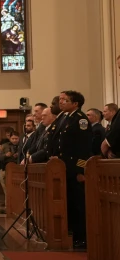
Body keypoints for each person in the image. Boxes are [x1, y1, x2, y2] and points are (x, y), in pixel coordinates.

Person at [54, 90, 91, 249]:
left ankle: (82, 237)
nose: (61, 102)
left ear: (75, 104)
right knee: (70, 202)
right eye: (60, 100)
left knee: (78, 204)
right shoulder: (65, 118)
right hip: (65, 167)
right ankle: (74, 235)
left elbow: (84, 147)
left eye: (65, 100)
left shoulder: (81, 119)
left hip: (74, 168)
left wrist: (80, 171)